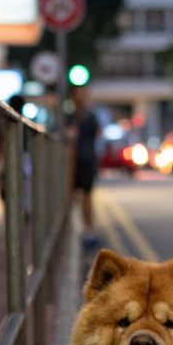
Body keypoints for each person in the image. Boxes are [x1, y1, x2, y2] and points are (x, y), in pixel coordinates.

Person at [68, 84, 100, 247]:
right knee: (70, 196)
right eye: (78, 93)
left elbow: (97, 135)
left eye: (83, 93)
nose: (81, 96)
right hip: (71, 162)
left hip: (87, 160)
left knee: (87, 196)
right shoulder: (70, 116)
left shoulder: (91, 116)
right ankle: (74, 228)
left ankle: (89, 229)